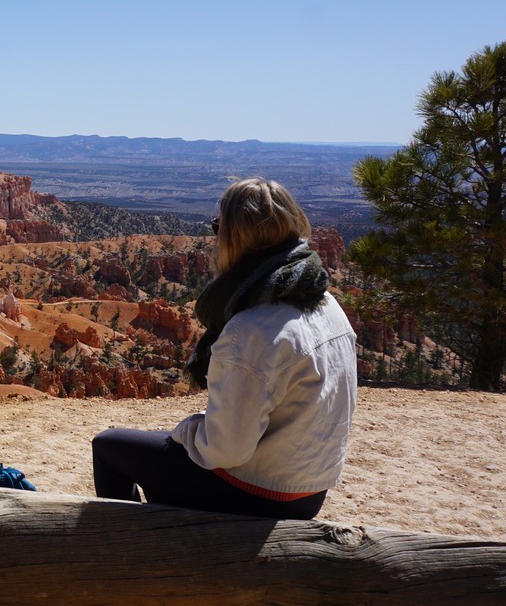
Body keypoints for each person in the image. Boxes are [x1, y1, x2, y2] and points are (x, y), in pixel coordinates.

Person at [91, 178, 357, 519]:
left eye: (218, 227)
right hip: (310, 489)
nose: (215, 237)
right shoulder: (325, 301)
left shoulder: (252, 330)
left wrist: (184, 431)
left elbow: (224, 451)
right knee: (162, 447)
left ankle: (129, 550)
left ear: (233, 236)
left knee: (109, 446)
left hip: (259, 493)